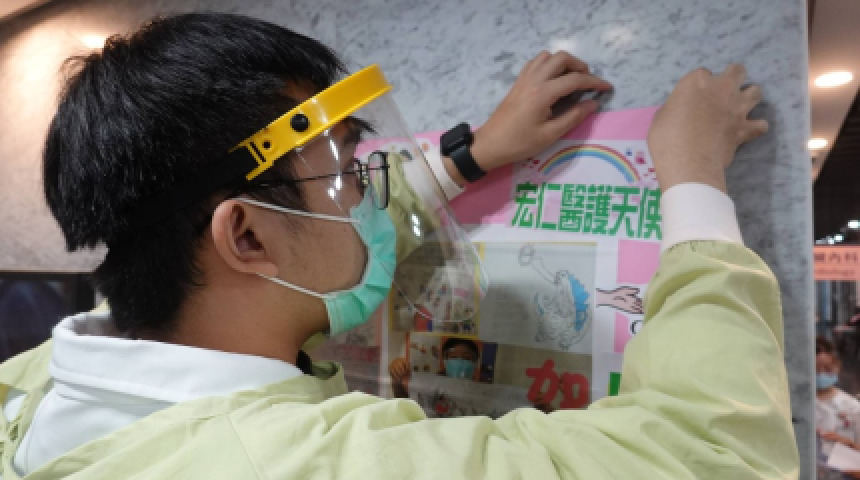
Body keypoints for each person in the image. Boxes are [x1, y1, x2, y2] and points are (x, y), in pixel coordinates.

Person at [0, 12, 797, 479]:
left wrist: (472, 155)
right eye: (351, 171)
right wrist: (693, 177)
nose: (370, 196)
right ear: (244, 234)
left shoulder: (44, 380)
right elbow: (713, 451)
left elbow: (313, 232)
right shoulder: (299, 463)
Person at [816, 336, 860, 479]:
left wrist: (846, 442)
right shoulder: (797, 406)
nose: (821, 374)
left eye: (827, 369)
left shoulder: (852, 407)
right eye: (815, 370)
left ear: (838, 367)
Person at [389, 337, 482, 399]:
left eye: (467, 358)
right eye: (453, 357)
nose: (460, 362)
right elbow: (404, 402)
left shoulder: (482, 391)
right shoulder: (430, 385)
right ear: (444, 361)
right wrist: (398, 373)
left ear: (475, 363)